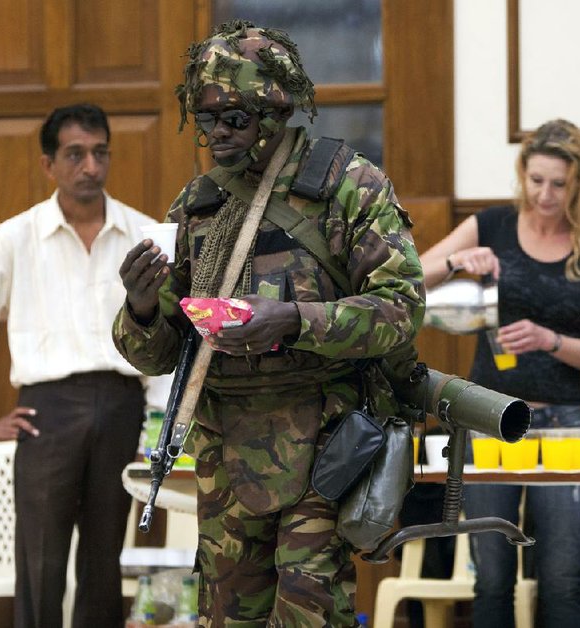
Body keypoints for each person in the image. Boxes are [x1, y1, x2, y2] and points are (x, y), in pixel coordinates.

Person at [112, 20, 425, 627]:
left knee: (310, 617)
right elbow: (156, 354)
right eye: (205, 119)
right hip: (225, 454)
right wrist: (142, 307)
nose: (217, 134)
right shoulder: (200, 204)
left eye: (235, 119)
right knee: (226, 618)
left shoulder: (346, 187)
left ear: (276, 113)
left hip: (324, 449)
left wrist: (296, 319)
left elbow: (401, 309)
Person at [0, 103, 171, 628]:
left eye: (99, 152)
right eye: (75, 154)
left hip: (122, 407)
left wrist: (157, 426)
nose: (90, 166)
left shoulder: (146, 237)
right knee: (40, 560)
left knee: (104, 561)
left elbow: (167, 341)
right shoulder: (12, 240)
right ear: (49, 165)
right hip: (49, 411)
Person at [418, 118, 580, 628]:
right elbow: (411, 274)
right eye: (536, 180)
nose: (546, 194)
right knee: (491, 579)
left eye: (559, 183)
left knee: (563, 578)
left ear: (579, 182)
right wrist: (457, 261)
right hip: (488, 418)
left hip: (564, 422)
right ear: (523, 173)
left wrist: (548, 340)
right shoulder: (490, 225)